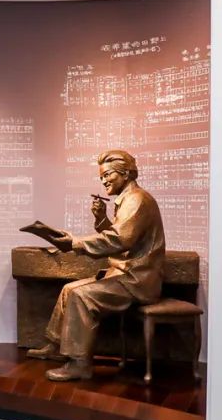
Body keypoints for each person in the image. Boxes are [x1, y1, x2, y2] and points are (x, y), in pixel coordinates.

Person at [27, 150, 166, 381]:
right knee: (69, 289)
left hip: (137, 280)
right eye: (101, 177)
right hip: (124, 274)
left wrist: (75, 243)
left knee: (81, 296)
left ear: (126, 173)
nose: (104, 181)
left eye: (108, 174)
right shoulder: (127, 199)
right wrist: (101, 219)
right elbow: (122, 237)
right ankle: (56, 345)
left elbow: (119, 240)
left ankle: (79, 363)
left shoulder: (138, 200)